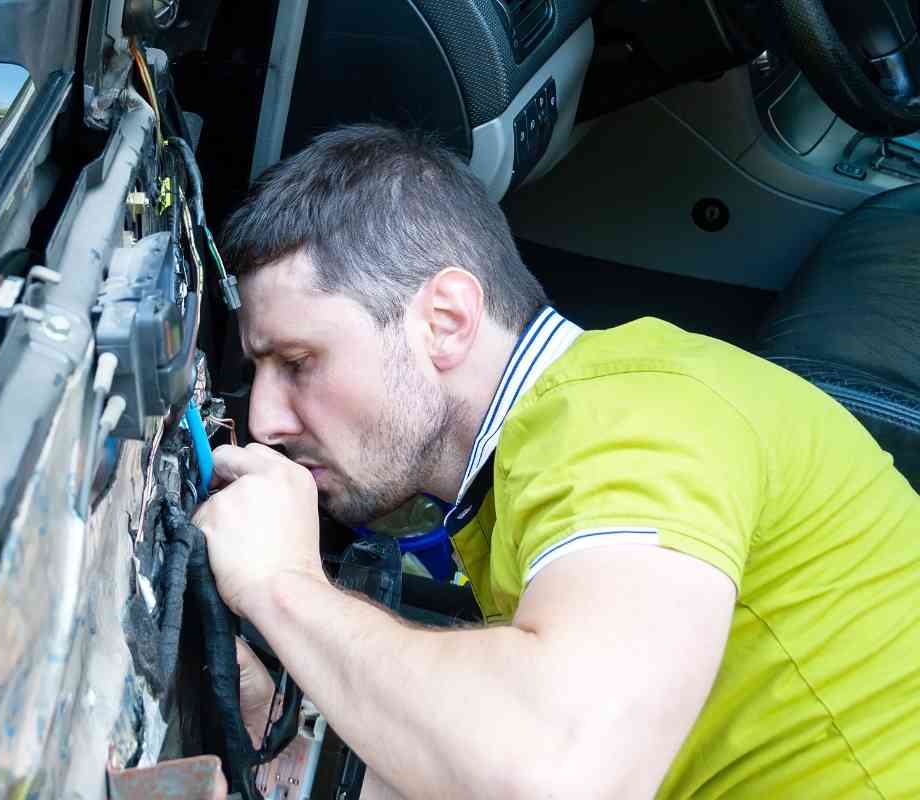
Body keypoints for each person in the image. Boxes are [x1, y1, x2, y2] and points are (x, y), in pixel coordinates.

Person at [192, 124, 920, 799]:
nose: (264, 419)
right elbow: (487, 750)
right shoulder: (539, 456)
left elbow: (559, 775)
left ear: (443, 321)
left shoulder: (631, 422)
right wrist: (287, 743)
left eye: (297, 361)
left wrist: (284, 586)